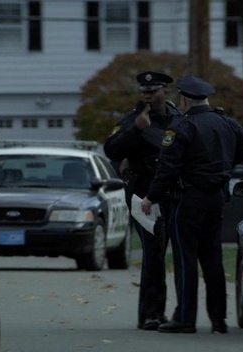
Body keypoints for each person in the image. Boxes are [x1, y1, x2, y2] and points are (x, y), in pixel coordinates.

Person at [141, 75, 243, 334]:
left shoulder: (182, 127)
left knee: (185, 258)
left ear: (184, 100)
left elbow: (168, 168)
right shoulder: (226, 123)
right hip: (216, 197)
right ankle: (218, 320)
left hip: (188, 198)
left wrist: (151, 197)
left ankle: (185, 318)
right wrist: (224, 163)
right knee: (212, 258)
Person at [104, 71, 181, 331]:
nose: (148, 95)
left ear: (165, 92)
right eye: (144, 91)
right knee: (153, 251)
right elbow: (112, 150)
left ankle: (177, 312)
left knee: (171, 251)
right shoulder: (131, 120)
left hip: (173, 192)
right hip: (143, 195)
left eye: (154, 90)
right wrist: (136, 129)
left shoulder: (178, 120)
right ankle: (151, 313)